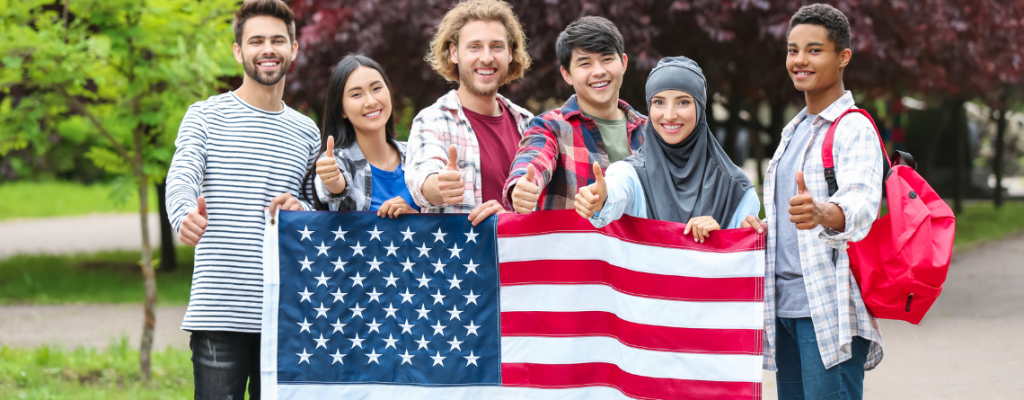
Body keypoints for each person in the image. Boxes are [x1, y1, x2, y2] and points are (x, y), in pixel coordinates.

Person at [164, 1, 319, 398]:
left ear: (294, 49)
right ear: (238, 51)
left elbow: (315, 207)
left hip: (285, 313)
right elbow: (181, 177)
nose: (268, 49)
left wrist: (301, 210)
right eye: (256, 41)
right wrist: (183, 214)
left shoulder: (307, 132)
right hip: (220, 309)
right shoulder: (204, 116)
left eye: (277, 40)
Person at [746, 4, 885, 399]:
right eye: (792, 50)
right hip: (785, 310)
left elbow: (861, 204)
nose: (799, 60)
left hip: (827, 309)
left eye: (814, 50)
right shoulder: (794, 131)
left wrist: (824, 212)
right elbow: (787, 221)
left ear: (843, 57)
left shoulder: (853, 127)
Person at [574, 56, 760, 242]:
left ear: (700, 108)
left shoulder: (737, 190)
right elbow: (618, 190)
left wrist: (722, 240)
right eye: (659, 102)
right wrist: (602, 199)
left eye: (683, 102)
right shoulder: (631, 174)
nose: (669, 115)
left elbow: (742, 261)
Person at [404, 0, 533, 225]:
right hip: (460, 259)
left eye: (496, 46)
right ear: (454, 53)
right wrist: (439, 186)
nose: (486, 58)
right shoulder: (432, 120)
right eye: (474, 46)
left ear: (510, 53)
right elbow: (421, 178)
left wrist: (515, 215)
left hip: (520, 258)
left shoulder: (529, 125)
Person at [504, 16, 647, 214]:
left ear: (623, 63)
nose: (598, 72)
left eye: (606, 59)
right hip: (575, 244)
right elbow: (534, 157)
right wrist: (522, 184)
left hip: (640, 244)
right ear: (566, 74)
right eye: (585, 63)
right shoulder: (550, 127)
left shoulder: (651, 131)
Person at [303, 55, 419, 218]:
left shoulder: (418, 155)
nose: (371, 101)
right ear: (342, 110)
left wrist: (416, 220)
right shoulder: (339, 161)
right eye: (357, 94)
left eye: (376, 88)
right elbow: (335, 187)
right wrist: (331, 178)